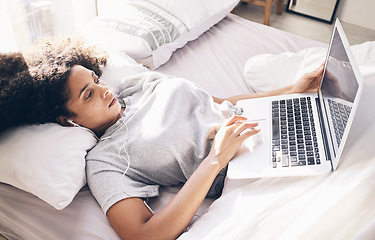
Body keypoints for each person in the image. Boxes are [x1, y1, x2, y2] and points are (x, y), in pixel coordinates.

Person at [0, 37, 324, 240]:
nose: (104, 90)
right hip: (249, 171)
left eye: (97, 80)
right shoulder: (106, 161)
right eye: (89, 95)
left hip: (268, 126)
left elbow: (216, 102)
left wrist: (291, 91)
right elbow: (142, 235)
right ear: (66, 121)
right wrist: (215, 161)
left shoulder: (135, 86)